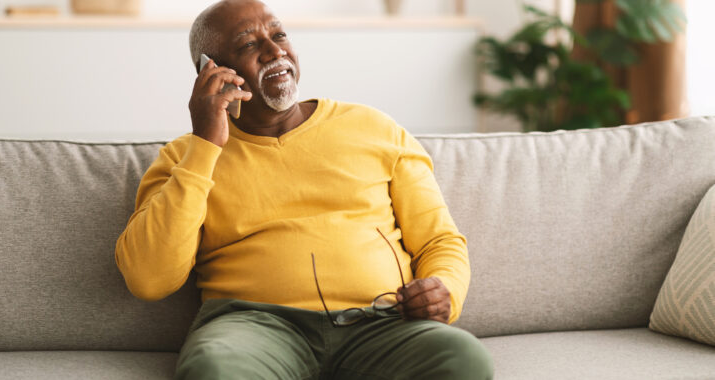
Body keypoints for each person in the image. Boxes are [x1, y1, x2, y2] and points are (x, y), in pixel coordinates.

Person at [115, 0, 494, 378]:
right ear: (211, 72)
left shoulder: (374, 128)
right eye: (249, 44)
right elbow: (149, 279)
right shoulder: (186, 156)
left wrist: (444, 290)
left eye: (279, 35)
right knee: (213, 370)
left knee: (462, 358)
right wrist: (206, 145)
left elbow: (439, 242)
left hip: (382, 323)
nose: (275, 50)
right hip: (254, 331)